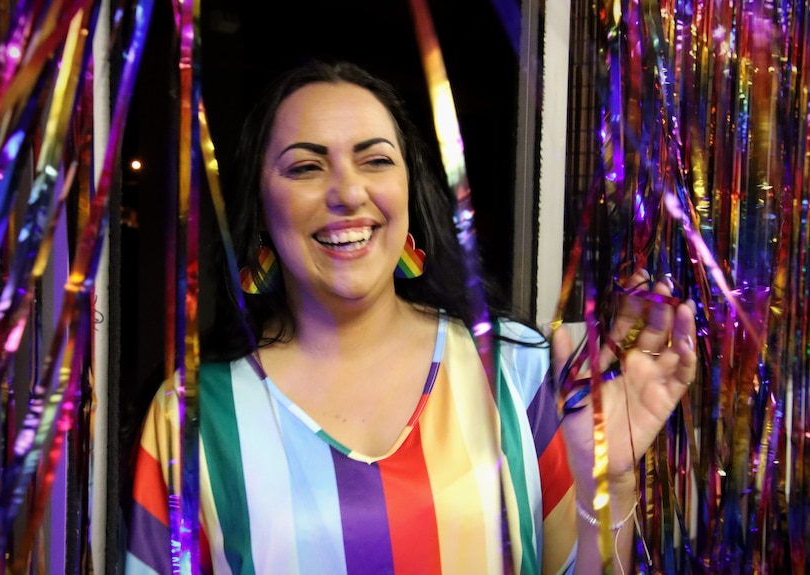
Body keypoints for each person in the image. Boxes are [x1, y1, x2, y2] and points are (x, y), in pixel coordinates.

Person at [125, 60, 697, 574]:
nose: (348, 191)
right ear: (261, 211)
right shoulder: (191, 418)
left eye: (375, 160)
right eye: (305, 167)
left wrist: (611, 481)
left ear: (407, 191)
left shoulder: (512, 371)